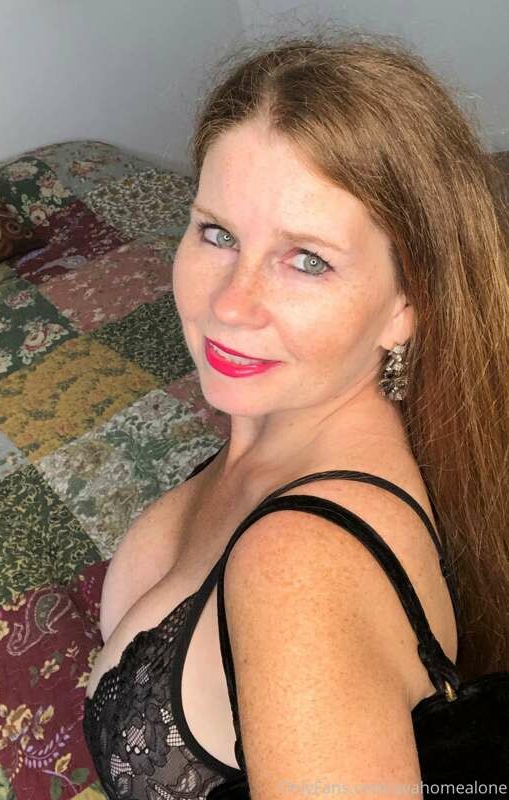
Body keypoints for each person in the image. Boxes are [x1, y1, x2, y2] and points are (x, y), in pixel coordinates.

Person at [83, 28, 509, 800]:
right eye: (217, 233)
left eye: (307, 259)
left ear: (406, 306)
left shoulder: (302, 573)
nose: (230, 304)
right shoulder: (276, 429)